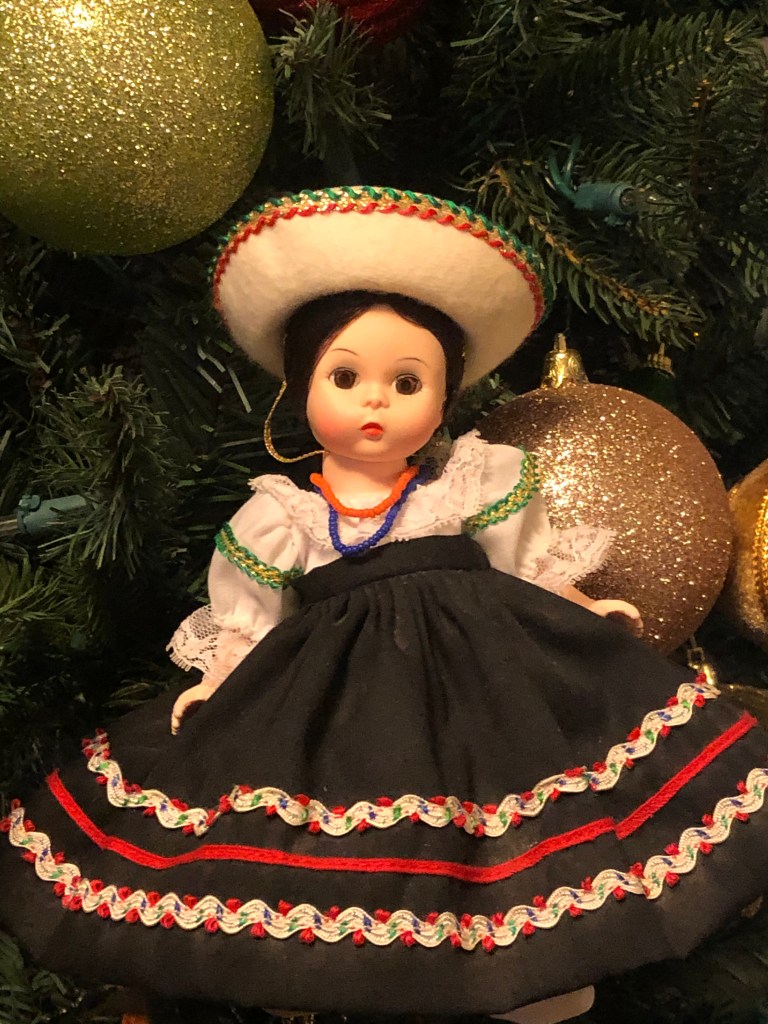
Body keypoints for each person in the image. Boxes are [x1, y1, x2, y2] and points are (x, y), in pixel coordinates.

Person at [2, 186, 767, 1023]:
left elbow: (526, 568)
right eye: (345, 376)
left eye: (407, 380)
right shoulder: (280, 519)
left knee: (510, 814)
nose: (375, 400)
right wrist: (220, 679)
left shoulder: (470, 485)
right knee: (358, 838)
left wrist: (578, 607)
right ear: (300, 389)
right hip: (346, 704)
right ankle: (348, 972)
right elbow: (252, 617)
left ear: (443, 398)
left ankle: (544, 965)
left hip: (487, 684)